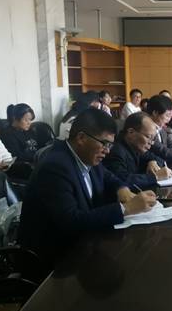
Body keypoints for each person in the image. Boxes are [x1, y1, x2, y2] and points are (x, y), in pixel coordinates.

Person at [19, 108, 157, 263]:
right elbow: (71, 221)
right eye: (104, 144)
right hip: (54, 258)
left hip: (84, 244)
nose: (107, 151)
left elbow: (109, 177)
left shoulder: (86, 155)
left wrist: (122, 189)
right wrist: (127, 208)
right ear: (81, 138)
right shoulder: (55, 167)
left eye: (110, 145)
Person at [103, 112, 172, 189]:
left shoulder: (136, 146)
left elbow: (159, 159)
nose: (151, 142)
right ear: (131, 132)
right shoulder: (115, 151)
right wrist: (155, 176)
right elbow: (121, 181)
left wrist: (152, 161)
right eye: (148, 137)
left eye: (153, 139)